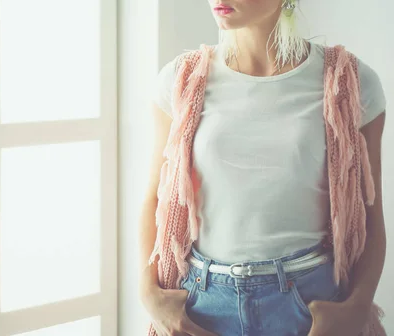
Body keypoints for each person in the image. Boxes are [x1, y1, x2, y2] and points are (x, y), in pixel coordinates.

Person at [138, 0, 387, 335]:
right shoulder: (181, 80)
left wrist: (356, 310)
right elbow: (155, 199)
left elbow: (371, 215)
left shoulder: (350, 83)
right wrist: (150, 297)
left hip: (310, 305)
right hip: (203, 306)